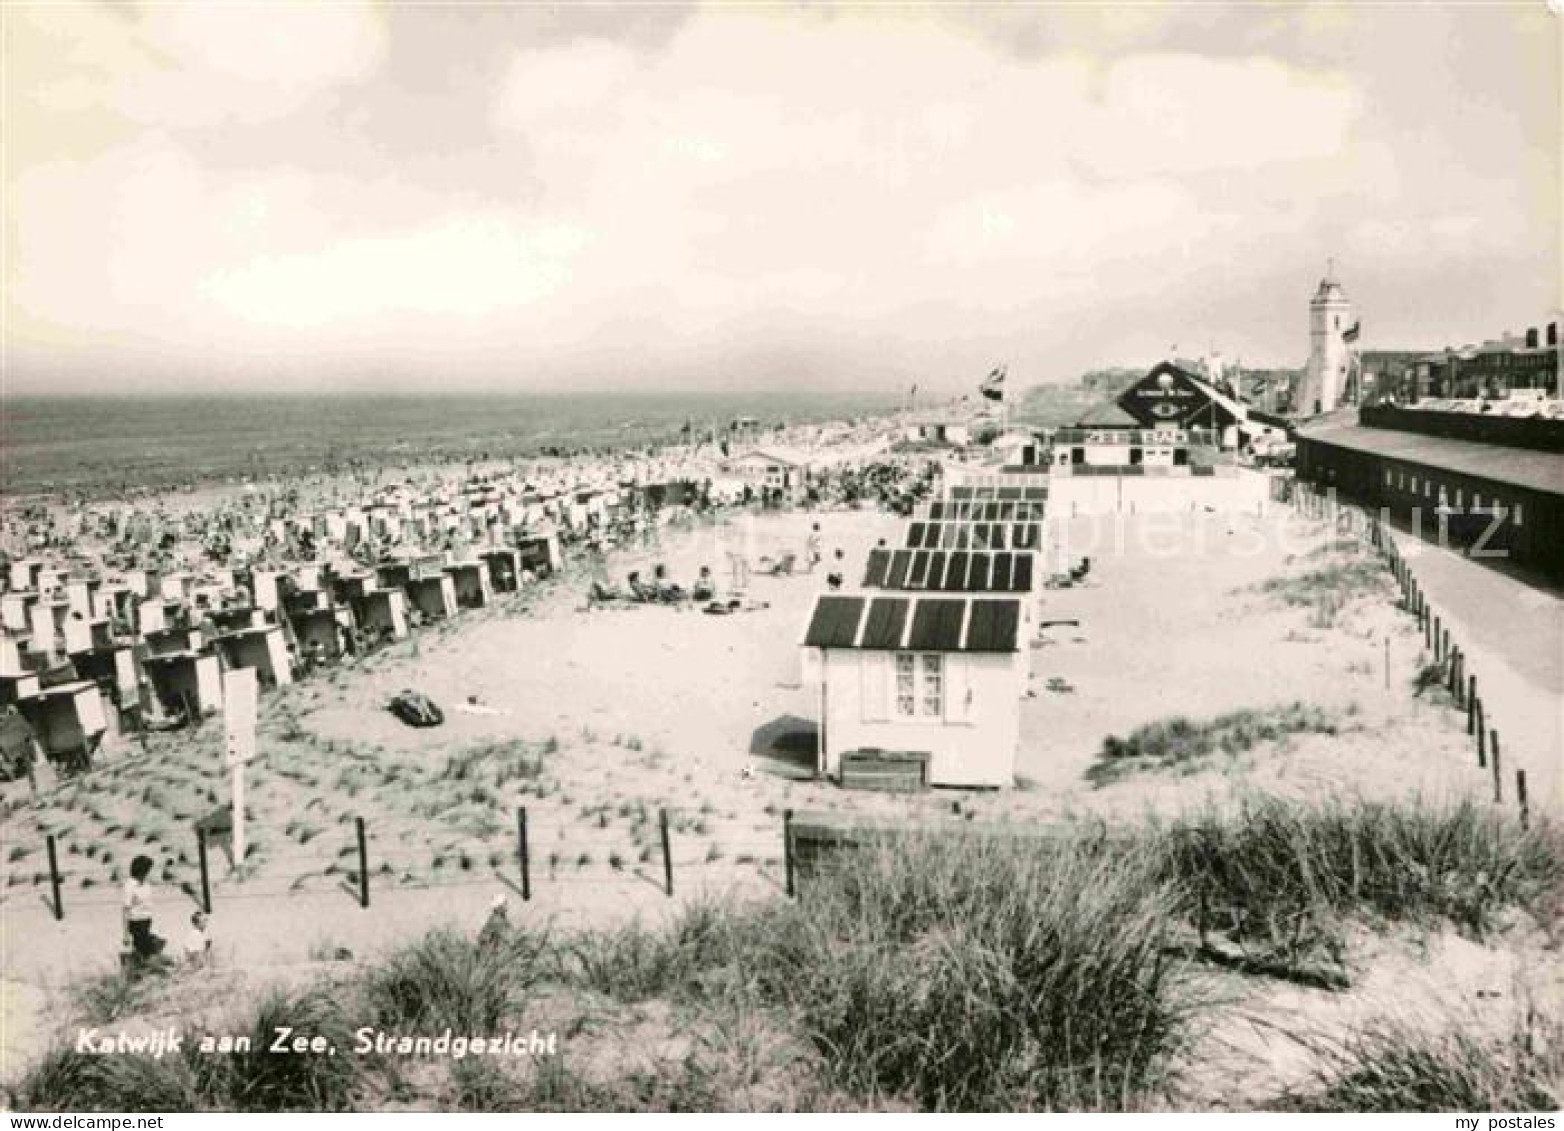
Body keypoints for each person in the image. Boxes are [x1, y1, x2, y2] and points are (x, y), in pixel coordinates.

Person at [122, 855, 169, 972]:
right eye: (147, 869)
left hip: (147, 921)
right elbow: (125, 910)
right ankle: (140, 969)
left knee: (158, 943)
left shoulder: (146, 884)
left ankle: (135, 965)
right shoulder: (130, 885)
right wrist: (125, 933)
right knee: (148, 951)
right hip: (136, 923)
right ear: (141, 870)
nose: (149, 872)